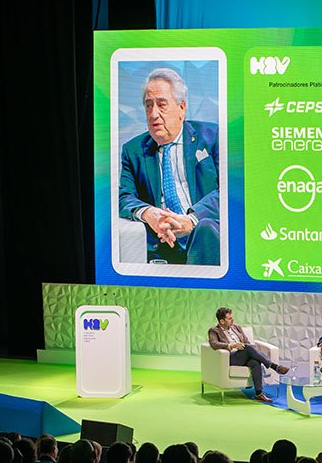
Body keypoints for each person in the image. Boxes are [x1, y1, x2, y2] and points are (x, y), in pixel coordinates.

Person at [118, 67, 222, 265]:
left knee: (206, 228)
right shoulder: (133, 151)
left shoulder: (212, 137)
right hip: (162, 241)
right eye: (148, 105)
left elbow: (229, 190)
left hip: (202, 232)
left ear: (182, 108)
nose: (153, 114)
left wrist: (192, 219)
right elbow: (123, 196)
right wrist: (149, 214)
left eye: (161, 104)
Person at [208, 307, 288, 403]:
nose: (232, 320)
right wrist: (232, 345)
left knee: (255, 362)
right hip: (230, 357)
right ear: (222, 321)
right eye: (229, 318)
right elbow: (214, 344)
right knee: (248, 348)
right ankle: (274, 366)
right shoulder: (214, 331)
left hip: (244, 354)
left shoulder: (236, 327)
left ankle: (259, 393)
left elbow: (247, 342)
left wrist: (244, 347)